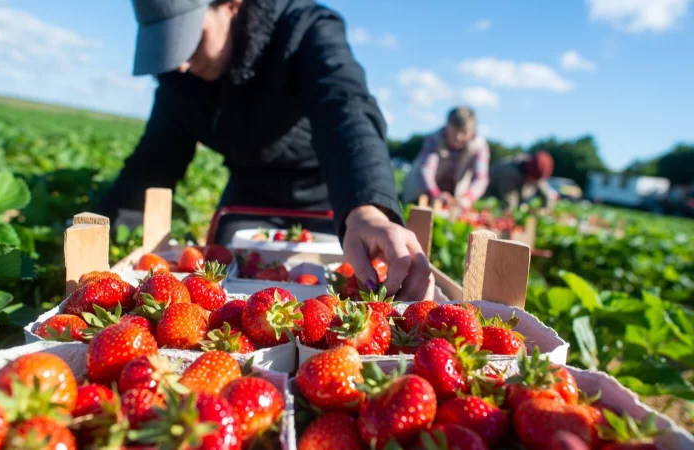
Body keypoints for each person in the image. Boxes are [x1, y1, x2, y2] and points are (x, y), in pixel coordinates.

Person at [96, 0, 432, 300]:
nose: (181, 63)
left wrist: (366, 208)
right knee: (226, 283)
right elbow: (155, 160)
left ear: (231, 5)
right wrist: (102, 240)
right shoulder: (180, 75)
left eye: (190, 39)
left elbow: (345, 110)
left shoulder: (303, 28)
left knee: (342, 283)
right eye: (167, 48)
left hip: (329, 190)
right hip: (249, 190)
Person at [400, 106, 490, 210]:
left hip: (456, 196)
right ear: (447, 126)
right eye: (454, 131)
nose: (458, 137)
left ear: (472, 131)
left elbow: (480, 178)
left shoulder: (479, 146)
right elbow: (426, 170)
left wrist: (468, 197)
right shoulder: (434, 139)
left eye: (464, 132)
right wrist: (435, 194)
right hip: (423, 191)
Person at [486, 151, 559, 210]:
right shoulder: (508, 171)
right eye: (533, 180)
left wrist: (545, 210)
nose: (535, 182)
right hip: (490, 200)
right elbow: (510, 203)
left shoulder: (537, 171)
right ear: (528, 174)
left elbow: (547, 195)